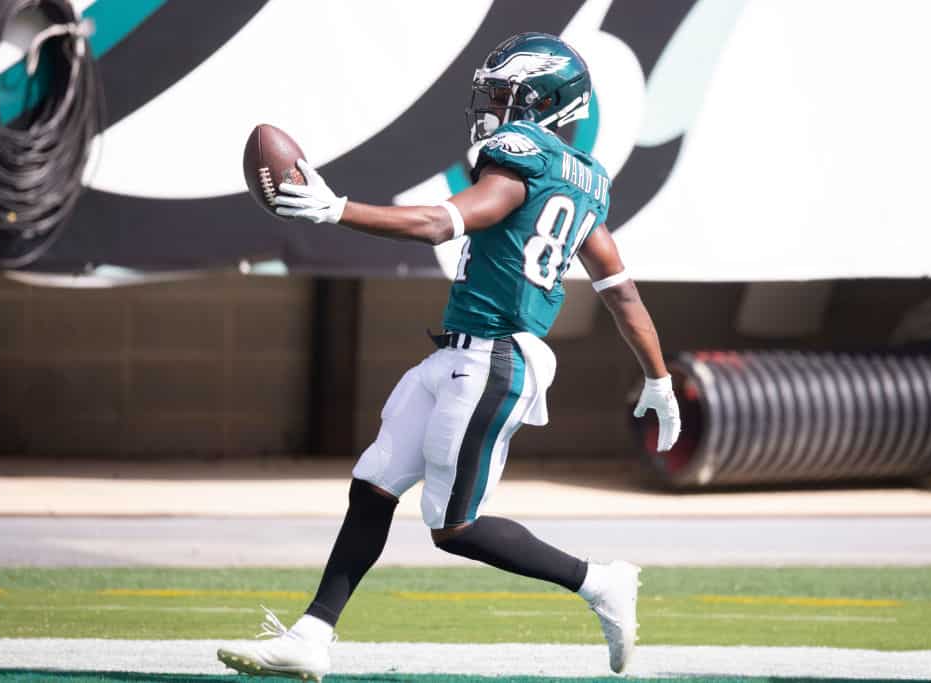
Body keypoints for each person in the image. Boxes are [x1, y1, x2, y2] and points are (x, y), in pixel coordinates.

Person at [217, 32, 681, 681]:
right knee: (374, 482)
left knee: (453, 525)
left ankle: (600, 581)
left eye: (503, 97)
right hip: (458, 353)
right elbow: (620, 289)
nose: (490, 109)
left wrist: (335, 208)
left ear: (540, 104)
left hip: (495, 357)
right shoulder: (583, 180)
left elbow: (442, 221)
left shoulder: (519, 160)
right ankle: (313, 633)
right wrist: (657, 375)